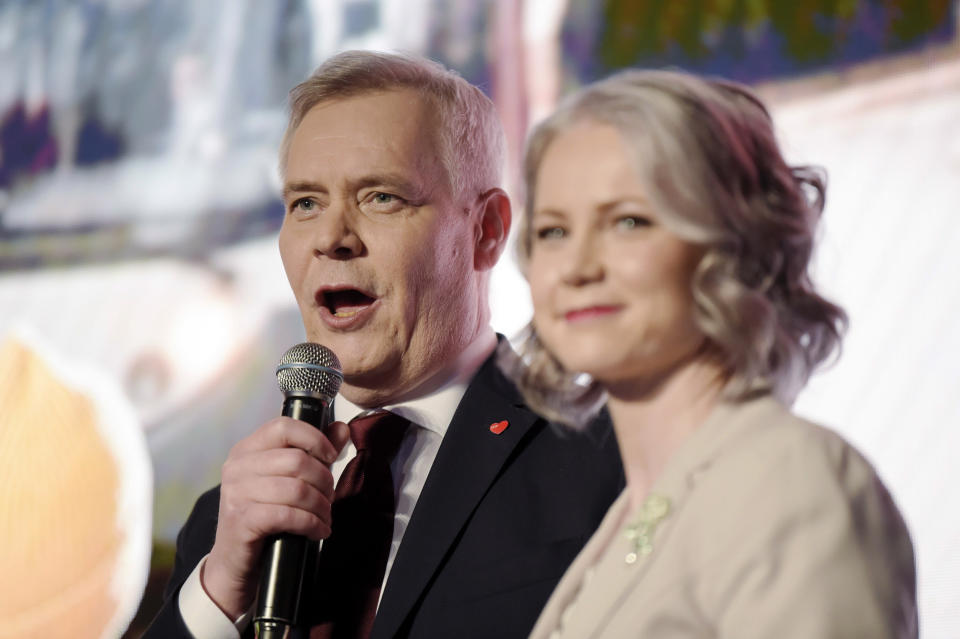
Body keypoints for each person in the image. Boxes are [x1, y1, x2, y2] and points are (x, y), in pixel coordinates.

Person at [143, 51, 623, 639]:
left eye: (381, 198)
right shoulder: (227, 519)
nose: (331, 238)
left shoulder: (605, 463)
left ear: (487, 230)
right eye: (306, 203)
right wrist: (216, 593)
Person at [506, 69, 918, 638]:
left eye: (629, 222)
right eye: (553, 231)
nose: (577, 268)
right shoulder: (632, 512)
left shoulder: (787, 480)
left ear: (732, 243)